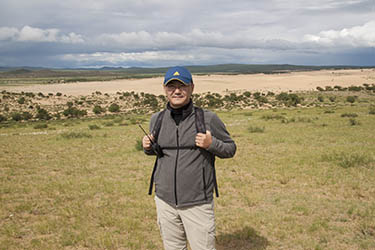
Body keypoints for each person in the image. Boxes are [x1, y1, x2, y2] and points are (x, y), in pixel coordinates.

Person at [142, 66, 236, 250]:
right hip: (164, 201)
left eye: (182, 86)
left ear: (192, 87)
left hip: (197, 203)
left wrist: (211, 144)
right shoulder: (157, 119)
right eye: (172, 86)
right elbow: (159, 153)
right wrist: (147, 148)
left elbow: (230, 148)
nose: (177, 91)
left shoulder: (207, 118)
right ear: (164, 89)